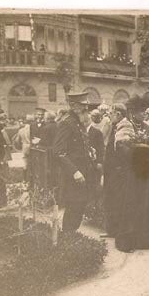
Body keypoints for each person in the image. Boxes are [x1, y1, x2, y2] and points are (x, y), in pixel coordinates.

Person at [113, 95, 149, 252]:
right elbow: (121, 147)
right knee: (130, 203)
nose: (144, 114)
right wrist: (137, 155)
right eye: (141, 112)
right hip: (131, 172)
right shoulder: (125, 126)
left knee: (145, 204)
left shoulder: (148, 127)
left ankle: (143, 239)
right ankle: (126, 240)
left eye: (144, 112)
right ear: (133, 113)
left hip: (146, 172)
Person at [53, 92, 94, 233]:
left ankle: (70, 236)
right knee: (74, 206)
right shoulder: (67, 123)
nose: (86, 111)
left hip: (82, 173)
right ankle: (67, 238)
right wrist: (74, 172)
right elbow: (58, 152)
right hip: (74, 175)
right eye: (83, 107)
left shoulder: (78, 123)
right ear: (74, 106)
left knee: (79, 205)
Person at [102, 103, 128, 238]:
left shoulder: (125, 126)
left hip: (118, 171)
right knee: (111, 199)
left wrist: (118, 168)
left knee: (117, 200)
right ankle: (111, 230)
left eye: (111, 113)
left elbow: (123, 151)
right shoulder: (114, 126)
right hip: (111, 170)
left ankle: (117, 230)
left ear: (118, 114)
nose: (109, 116)